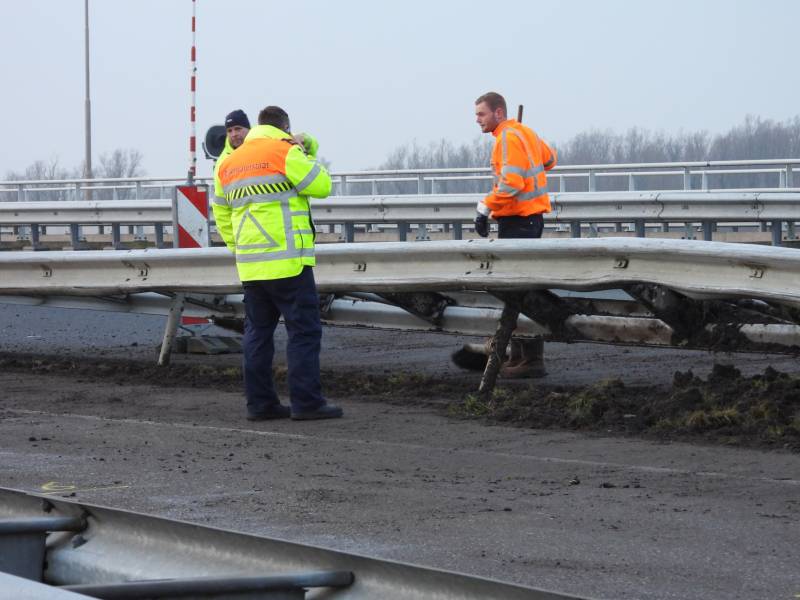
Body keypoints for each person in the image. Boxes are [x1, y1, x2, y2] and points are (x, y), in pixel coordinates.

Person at [214, 105, 343, 421]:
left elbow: (221, 213)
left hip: (250, 265)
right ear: (285, 127)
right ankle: (307, 403)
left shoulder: (228, 162)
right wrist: (306, 151)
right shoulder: (283, 150)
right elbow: (322, 185)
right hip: (289, 263)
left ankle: (260, 405)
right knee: (303, 333)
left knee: (257, 335)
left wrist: (240, 248)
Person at [472, 91, 557, 378]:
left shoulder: (507, 138)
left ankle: (531, 360)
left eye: (481, 114)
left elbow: (511, 184)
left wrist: (485, 207)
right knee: (518, 288)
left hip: (518, 220)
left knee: (518, 290)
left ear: (498, 112)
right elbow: (550, 159)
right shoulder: (524, 132)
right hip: (530, 220)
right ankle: (520, 356)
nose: (477, 119)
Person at [211, 109, 251, 251]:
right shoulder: (223, 163)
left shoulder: (263, 150)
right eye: (230, 130)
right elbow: (221, 208)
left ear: (249, 129)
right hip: (244, 237)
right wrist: (233, 243)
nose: (234, 134)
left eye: (238, 129)